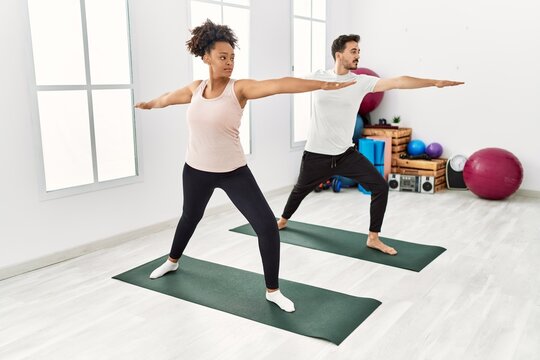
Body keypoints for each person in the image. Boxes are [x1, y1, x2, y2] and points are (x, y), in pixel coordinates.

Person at [135, 20, 354, 313]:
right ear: (206, 58)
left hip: (233, 172)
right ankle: (172, 261)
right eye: (223, 57)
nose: (229, 62)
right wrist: (150, 103)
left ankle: (272, 290)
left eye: (232, 57)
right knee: (190, 216)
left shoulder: (239, 89)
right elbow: (167, 99)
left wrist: (325, 84)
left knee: (266, 227)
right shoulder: (195, 89)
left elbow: (279, 85)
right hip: (195, 170)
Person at [277, 34, 464, 256]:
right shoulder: (318, 77)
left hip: (345, 154)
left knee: (380, 187)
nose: (358, 55)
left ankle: (373, 238)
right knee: (300, 190)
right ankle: (282, 220)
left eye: (358, 51)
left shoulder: (360, 81)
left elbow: (398, 81)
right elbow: (288, 84)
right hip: (316, 155)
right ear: (339, 55)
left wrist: (433, 82)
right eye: (353, 51)